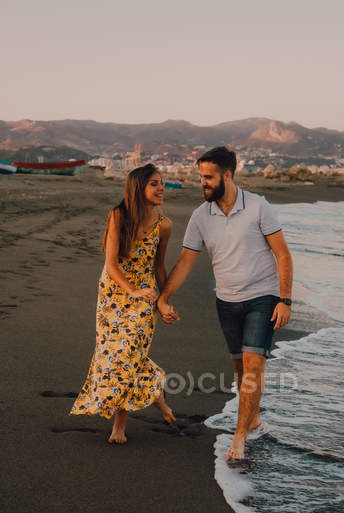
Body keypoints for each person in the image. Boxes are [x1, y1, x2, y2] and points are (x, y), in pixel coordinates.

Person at [157, 147, 293, 460]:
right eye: (200, 177)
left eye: (208, 177)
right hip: (227, 301)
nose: (202, 183)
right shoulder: (200, 216)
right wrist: (164, 298)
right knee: (240, 370)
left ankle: (240, 436)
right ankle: (253, 416)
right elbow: (185, 262)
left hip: (263, 297)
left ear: (227, 175)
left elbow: (283, 254)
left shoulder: (258, 207)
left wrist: (285, 300)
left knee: (253, 364)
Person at [70, 164, 175, 444]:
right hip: (113, 294)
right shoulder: (118, 216)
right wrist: (132, 290)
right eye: (154, 183)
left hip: (145, 298)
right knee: (113, 356)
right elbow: (111, 264)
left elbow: (160, 267)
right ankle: (155, 393)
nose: (161, 187)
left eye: (162, 183)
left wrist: (164, 301)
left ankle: (119, 426)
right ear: (138, 187)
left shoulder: (164, 225)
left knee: (126, 356)